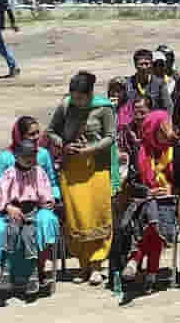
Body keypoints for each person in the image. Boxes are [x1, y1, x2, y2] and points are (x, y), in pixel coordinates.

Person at [47, 71, 119, 285]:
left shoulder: (104, 108)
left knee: (97, 215)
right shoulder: (65, 106)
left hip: (97, 168)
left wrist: (90, 150)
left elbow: (111, 137)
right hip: (72, 170)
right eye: (74, 96)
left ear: (90, 95)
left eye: (81, 98)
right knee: (77, 217)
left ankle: (97, 264)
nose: (77, 101)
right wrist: (64, 145)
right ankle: (83, 265)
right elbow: (51, 132)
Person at [110, 109, 180, 291]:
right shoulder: (140, 151)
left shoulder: (173, 150)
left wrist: (177, 144)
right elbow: (133, 182)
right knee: (151, 213)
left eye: (167, 130)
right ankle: (151, 272)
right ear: (152, 130)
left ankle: (135, 259)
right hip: (143, 203)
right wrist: (150, 192)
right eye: (161, 131)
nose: (165, 135)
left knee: (154, 215)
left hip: (170, 201)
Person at [0, 139, 57, 295]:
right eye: (26, 156)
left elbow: (45, 190)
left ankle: (33, 275)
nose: (30, 159)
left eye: (32, 156)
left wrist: (47, 201)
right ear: (16, 157)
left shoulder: (38, 172)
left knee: (29, 236)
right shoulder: (10, 173)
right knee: (12, 234)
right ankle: (6, 271)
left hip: (32, 212)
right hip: (14, 211)